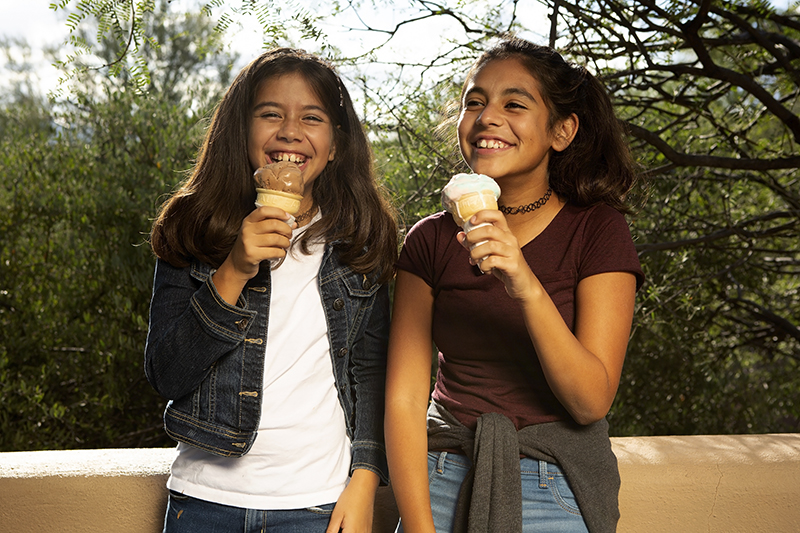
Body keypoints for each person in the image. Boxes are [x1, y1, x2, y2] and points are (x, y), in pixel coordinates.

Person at [385, 37, 644, 533]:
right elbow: (403, 398)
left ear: (562, 131)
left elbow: (589, 401)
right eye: (474, 102)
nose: (487, 118)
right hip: (439, 474)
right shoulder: (430, 239)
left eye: (514, 104)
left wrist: (524, 281)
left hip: (556, 483)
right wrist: (417, 527)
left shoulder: (598, 230)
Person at [144, 48, 397, 533]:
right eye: (270, 114)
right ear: (242, 131)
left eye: (312, 118)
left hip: (318, 506)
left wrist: (365, 476)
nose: (290, 131)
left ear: (337, 143)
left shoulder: (360, 242)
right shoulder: (192, 227)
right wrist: (235, 269)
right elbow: (166, 374)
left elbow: (370, 371)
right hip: (204, 503)